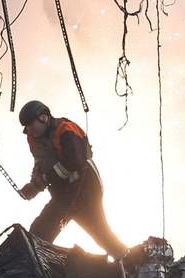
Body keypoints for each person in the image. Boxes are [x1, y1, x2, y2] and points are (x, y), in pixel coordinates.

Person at [17, 100, 129, 259]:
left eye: (30, 124)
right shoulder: (33, 138)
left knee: (99, 232)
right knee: (40, 232)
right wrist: (34, 185)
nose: (28, 130)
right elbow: (40, 162)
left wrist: (41, 182)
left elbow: (74, 162)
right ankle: (34, 266)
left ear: (43, 118)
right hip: (62, 194)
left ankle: (129, 263)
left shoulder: (66, 130)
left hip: (85, 189)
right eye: (26, 127)